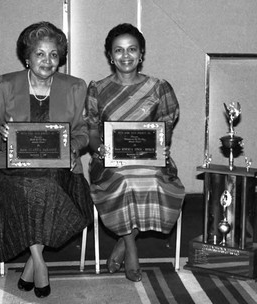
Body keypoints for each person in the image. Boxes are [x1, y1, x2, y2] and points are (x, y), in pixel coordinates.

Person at [0, 21, 93, 298]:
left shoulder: (75, 87)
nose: (47, 60)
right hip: (12, 170)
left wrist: (72, 151)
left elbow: (82, 132)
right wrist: (2, 134)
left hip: (61, 167)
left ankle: (32, 263)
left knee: (51, 185)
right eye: (40, 54)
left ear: (60, 58)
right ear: (27, 57)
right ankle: (41, 264)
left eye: (54, 54)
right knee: (38, 187)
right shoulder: (4, 85)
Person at [84, 23, 185, 282]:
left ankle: (122, 243)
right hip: (109, 161)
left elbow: (165, 131)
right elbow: (92, 132)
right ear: (109, 55)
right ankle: (131, 249)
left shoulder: (159, 87)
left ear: (141, 54)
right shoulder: (97, 88)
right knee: (126, 180)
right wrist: (99, 148)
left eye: (132, 49)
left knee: (147, 178)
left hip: (150, 159)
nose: (125, 56)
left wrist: (151, 149)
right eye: (118, 50)